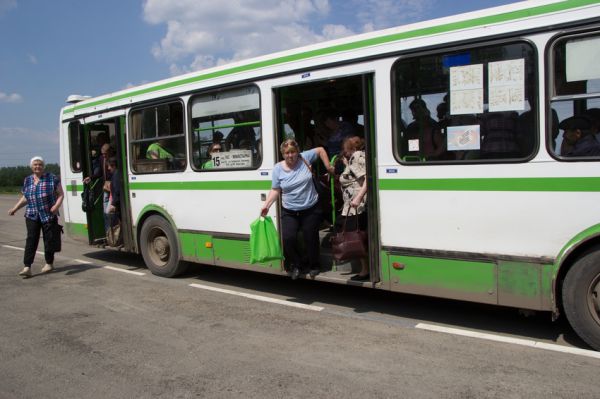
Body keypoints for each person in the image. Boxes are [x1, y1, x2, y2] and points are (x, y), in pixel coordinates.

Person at [261, 139, 334, 279]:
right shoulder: (277, 169)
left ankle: (314, 265)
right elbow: (276, 189)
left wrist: (328, 165)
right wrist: (267, 205)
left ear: (298, 152)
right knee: (287, 238)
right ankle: (297, 264)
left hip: (310, 207)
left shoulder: (304, 158)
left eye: (293, 152)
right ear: (282, 154)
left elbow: (320, 149)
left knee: (310, 236)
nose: (290, 155)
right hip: (290, 210)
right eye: (287, 153)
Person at [8, 156, 64, 278]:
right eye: (35, 164)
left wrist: (56, 206)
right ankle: (27, 267)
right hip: (32, 214)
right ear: (31, 166)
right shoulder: (27, 180)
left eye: (40, 164)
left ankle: (49, 263)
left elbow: (61, 194)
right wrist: (15, 208)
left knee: (49, 239)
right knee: (31, 239)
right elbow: (25, 198)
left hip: (48, 214)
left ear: (43, 166)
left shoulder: (52, 178)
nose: (37, 166)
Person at [338, 136, 369, 281]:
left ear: (351, 148)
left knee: (355, 237)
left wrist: (358, 198)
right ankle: (365, 268)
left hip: (355, 205)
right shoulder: (357, 157)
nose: (344, 152)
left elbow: (366, 179)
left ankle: (365, 270)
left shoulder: (356, 157)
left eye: (345, 149)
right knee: (357, 236)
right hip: (351, 205)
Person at [83, 143, 114, 230]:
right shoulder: (101, 159)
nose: (104, 156)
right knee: (105, 212)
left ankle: (113, 232)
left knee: (109, 211)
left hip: (113, 186)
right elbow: (99, 173)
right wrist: (91, 178)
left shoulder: (114, 159)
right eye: (102, 154)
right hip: (106, 187)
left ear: (110, 152)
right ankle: (108, 232)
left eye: (105, 154)